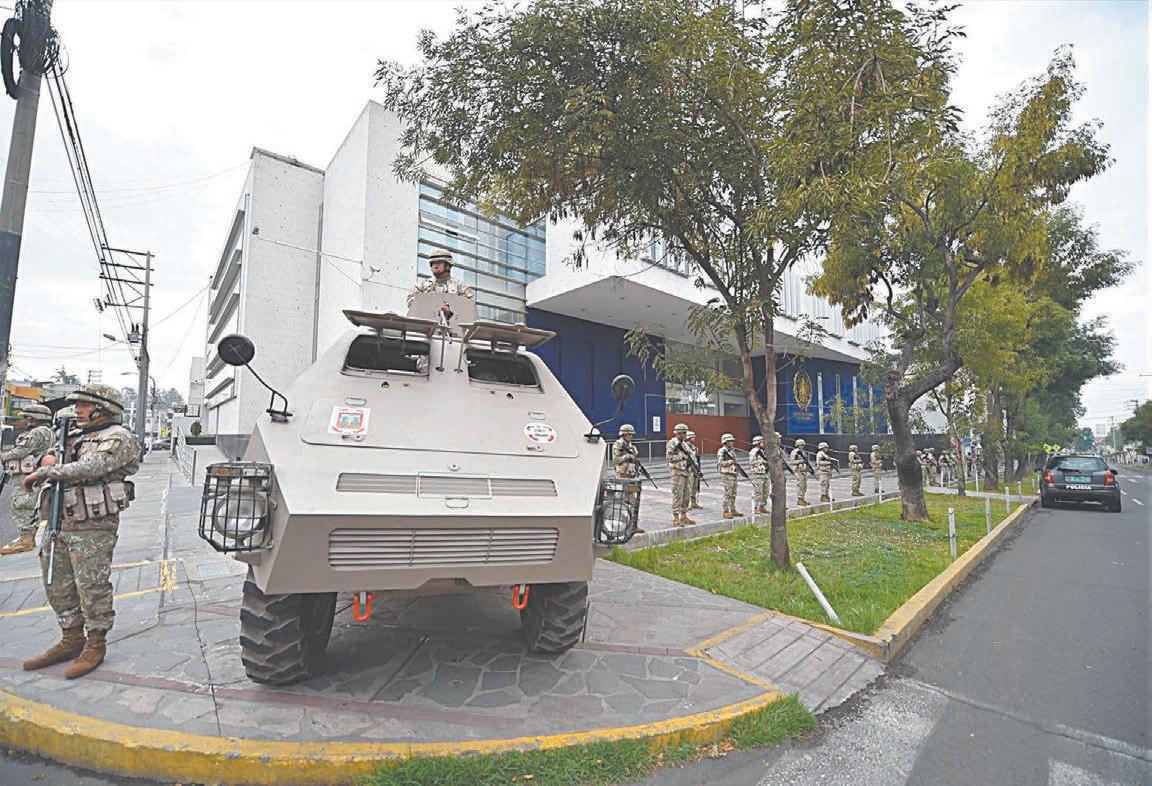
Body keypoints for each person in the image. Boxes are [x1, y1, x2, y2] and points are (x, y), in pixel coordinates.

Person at [21, 384, 140, 679]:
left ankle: (95, 643)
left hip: (93, 526)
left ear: (103, 409)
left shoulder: (119, 437)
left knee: (91, 586)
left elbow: (92, 467)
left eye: (84, 405)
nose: (77, 410)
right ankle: (71, 638)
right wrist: (46, 461)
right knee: (57, 584)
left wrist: (47, 471)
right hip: (61, 521)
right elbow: (48, 456)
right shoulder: (74, 436)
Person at [0, 404, 55, 555]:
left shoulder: (37, 432)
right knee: (28, 506)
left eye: (27, 417)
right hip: (34, 473)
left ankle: (26, 538)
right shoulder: (47, 432)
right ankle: (26, 537)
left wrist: (3, 455)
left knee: (22, 505)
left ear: (34, 418)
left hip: (27, 475)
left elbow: (19, 452)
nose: (25, 420)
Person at [407, 251, 476, 317]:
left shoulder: (461, 286)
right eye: (433, 263)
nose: (435, 266)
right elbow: (411, 301)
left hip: (452, 323)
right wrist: (431, 304)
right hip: (427, 323)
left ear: (448, 265)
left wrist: (450, 310)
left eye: (438, 263)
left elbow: (469, 308)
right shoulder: (422, 285)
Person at [611, 424, 644, 535]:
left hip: (631, 477)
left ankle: (633, 525)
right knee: (621, 502)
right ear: (624, 434)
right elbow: (616, 460)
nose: (631, 437)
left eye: (632, 435)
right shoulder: (618, 445)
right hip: (622, 478)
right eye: (630, 435)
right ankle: (621, 526)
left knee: (633, 501)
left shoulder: (631, 446)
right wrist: (628, 456)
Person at [667, 424, 694, 527]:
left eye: (685, 433)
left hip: (686, 471)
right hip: (677, 472)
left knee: (687, 495)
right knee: (678, 494)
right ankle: (676, 517)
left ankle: (684, 515)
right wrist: (681, 456)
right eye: (683, 433)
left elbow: (690, 456)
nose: (684, 435)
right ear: (678, 433)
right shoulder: (672, 443)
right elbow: (669, 457)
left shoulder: (685, 444)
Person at [717, 433, 744, 519]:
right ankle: (725, 511)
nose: (732, 442)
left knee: (733, 493)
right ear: (726, 442)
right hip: (727, 474)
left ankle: (732, 509)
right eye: (730, 441)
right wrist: (729, 462)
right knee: (728, 493)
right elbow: (720, 463)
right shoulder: (722, 451)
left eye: (732, 441)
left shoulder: (731, 451)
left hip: (733, 473)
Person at [749, 435, 770, 514]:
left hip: (765, 473)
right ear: (758, 443)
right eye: (762, 442)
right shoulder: (754, 452)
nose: (764, 443)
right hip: (758, 474)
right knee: (758, 491)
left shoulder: (763, 451)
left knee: (766, 491)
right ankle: (755, 507)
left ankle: (762, 506)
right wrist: (761, 461)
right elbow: (752, 462)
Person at [790, 438, 811, 507]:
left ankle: (802, 498)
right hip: (798, 469)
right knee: (800, 485)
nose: (802, 446)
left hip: (804, 470)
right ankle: (799, 499)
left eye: (802, 444)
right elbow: (792, 461)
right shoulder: (795, 452)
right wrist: (800, 461)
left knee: (804, 485)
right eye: (800, 444)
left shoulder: (804, 452)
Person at [686, 431, 703, 510]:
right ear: (689, 438)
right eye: (692, 437)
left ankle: (693, 502)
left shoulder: (695, 448)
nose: (694, 438)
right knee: (689, 485)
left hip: (696, 468)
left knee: (695, 486)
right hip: (689, 469)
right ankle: (687, 503)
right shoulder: (685, 447)